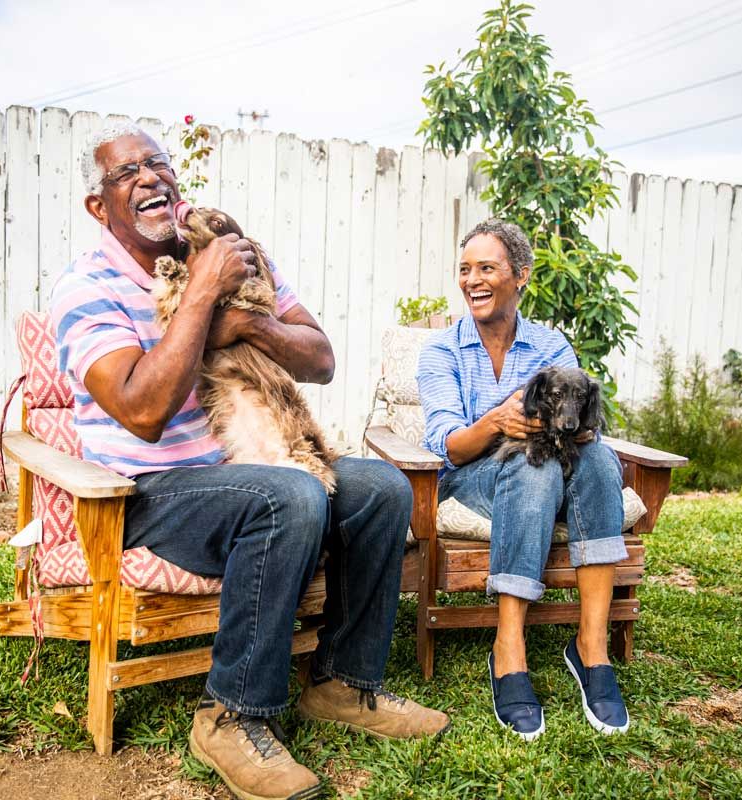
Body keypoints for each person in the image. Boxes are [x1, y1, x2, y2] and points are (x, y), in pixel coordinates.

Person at [51, 119, 449, 800]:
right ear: (99, 206)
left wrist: (250, 322)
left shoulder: (230, 254)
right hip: (153, 492)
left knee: (380, 487)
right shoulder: (85, 290)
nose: (150, 178)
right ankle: (231, 715)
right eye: (127, 173)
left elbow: (319, 358)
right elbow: (142, 411)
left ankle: (342, 686)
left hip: (261, 457)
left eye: (158, 163)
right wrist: (203, 297)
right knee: (287, 496)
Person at [416, 219, 630, 741]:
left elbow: (581, 423)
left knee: (600, 461)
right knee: (531, 468)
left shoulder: (551, 346)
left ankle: (591, 647)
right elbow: (447, 444)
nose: (473, 280)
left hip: (556, 467)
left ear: (521, 276)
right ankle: (508, 649)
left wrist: (566, 427)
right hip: (472, 477)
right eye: (465, 269)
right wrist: (495, 422)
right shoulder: (442, 352)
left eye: (487, 268)